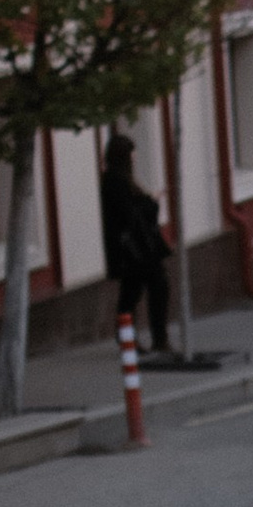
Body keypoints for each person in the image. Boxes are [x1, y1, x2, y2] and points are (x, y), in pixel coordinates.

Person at [99, 130, 170, 356]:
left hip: (132, 249)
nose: (135, 158)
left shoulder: (115, 181)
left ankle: (129, 337)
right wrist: (152, 201)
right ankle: (155, 338)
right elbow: (132, 215)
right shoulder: (116, 182)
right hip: (136, 249)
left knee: (132, 291)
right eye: (132, 154)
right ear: (125, 157)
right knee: (155, 286)